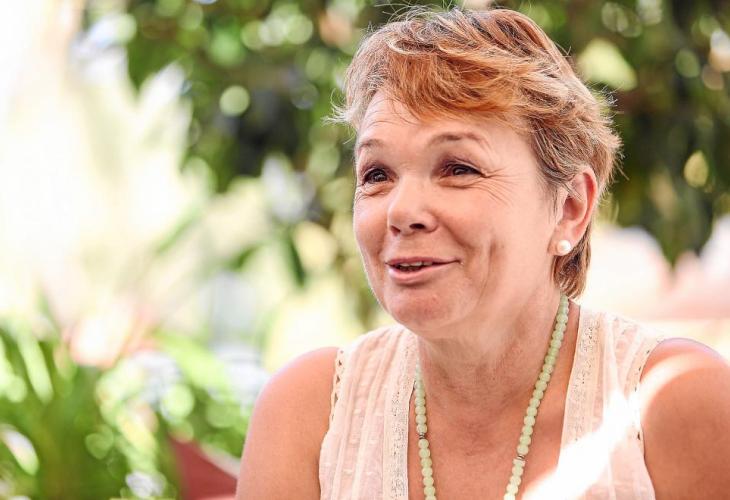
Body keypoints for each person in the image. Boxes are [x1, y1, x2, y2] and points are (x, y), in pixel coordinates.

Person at [236, 7, 730, 499]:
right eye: (377, 174)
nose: (401, 211)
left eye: (458, 168)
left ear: (569, 209)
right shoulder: (310, 413)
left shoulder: (678, 400)